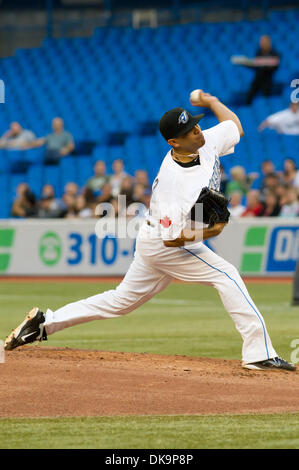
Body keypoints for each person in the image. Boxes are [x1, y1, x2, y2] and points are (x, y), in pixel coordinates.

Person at [4, 90, 295, 372]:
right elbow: (173, 240)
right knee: (227, 275)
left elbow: (236, 127)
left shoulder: (203, 142)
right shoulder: (176, 184)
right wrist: (214, 230)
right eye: (190, 130)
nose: (198, 131)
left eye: (196, 124)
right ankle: (259, 354)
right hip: (165, 242)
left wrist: (212, 101)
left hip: (157, 238)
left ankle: (43, 324)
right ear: (174, 142)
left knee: (121, 301)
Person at [246, 35, 280, 105]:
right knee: (250, 93)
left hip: (268, 79)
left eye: (264, 42)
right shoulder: (259, 52)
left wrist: (264, 64)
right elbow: (256, 65)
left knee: (266, 96)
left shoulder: (274, 53)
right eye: (261, 42)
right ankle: (248, 105)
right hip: (258, 78)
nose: (262, 44)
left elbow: (275, 66)